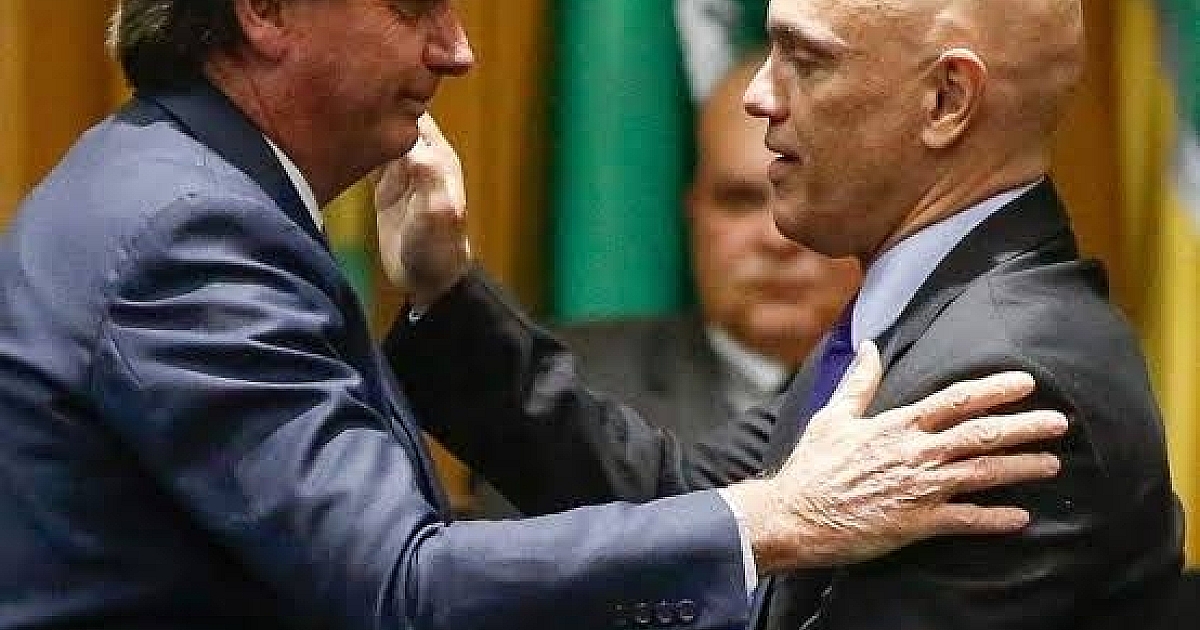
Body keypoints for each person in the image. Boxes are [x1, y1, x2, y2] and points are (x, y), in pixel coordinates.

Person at [0, 1, 1069, 629]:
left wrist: (444, 297)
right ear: (266, 12)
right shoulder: (192, 229)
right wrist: (777, 521)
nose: (457, 50)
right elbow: (402, 586)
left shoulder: (183, 189)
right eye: (413, 6)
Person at [382, 0, 1184, 628]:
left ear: (946, 100)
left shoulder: (1003, 376)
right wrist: (447, 292)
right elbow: (682, 498)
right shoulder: (925, 316)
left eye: (806, 60)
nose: (759, 95)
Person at [470, 56, 859, 519]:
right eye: (739, 201)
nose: (776, 240)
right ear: (693, 214)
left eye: (810, 198)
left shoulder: (924, 392)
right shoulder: (557, 393)